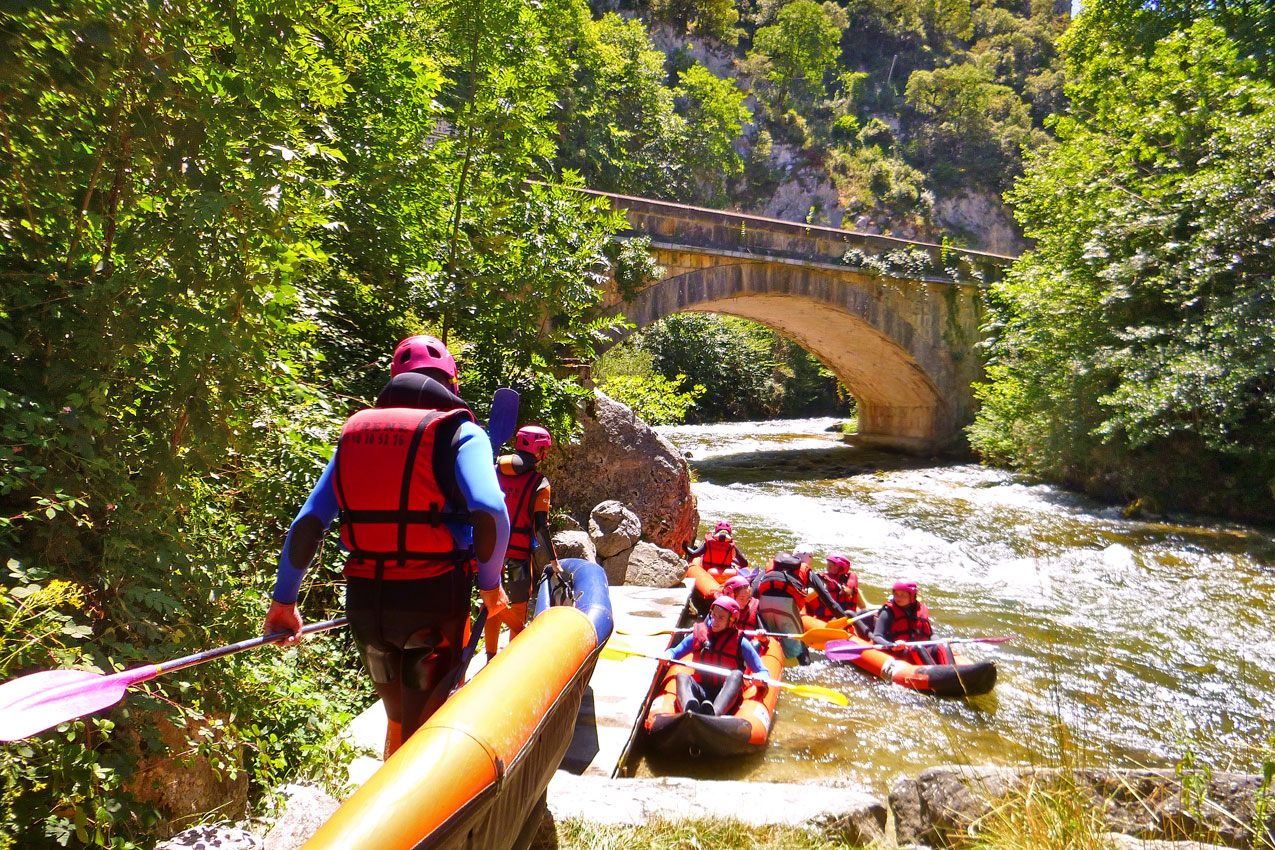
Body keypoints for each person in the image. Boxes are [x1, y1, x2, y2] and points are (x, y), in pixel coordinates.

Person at [263, 334, 511, 759]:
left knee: (398, 718)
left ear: (393, 379)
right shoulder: (461, 432)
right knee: (429, 723)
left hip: (366, 608)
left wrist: (284, 601)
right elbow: (490, 512)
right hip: (434, 602)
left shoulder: (356, 435)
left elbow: (308, 524)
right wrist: (490, 587)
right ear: (451, 383)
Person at [485, 424, 561, 662]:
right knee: (518, 605)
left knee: (491, 602)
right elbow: (540, 527)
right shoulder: (540, 483)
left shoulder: (492, 468)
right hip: (517, 553)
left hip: (489, 550)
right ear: (541, 452)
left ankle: (489, 658)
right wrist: (553, 560)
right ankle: (511, 661)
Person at [664, 596, 769, 717]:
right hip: (702, 689)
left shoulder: (740, 641)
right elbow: (675, 652)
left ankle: (714, 714)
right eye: (713, 615)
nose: (715, 620)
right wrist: (667, 655)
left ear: (731, 620)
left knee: (737, 675)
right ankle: (689, 711)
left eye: (721, 618)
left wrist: (760, 678)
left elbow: (762, 671)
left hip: (727, 694)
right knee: (682, 676)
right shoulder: (700, 634)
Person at [871, 578, 951, 666]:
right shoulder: (888, 612)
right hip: (902, 652)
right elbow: (877, 636)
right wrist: (892, 645)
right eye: (896, 594)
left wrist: (940, 641)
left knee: (943, 646)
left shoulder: (920, 610)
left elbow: (931, 634)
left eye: (903, 595)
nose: (898, 597)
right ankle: (936, 674)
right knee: (917, 648)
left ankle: (953, 672)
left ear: (912, 596)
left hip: (923, 652)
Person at [722, 575, 769, 653]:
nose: (745, 602)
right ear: (731, 595)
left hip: (743, 650)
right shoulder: (719, 608)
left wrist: (762, 637)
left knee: (756, 645)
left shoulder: (753, 610)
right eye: (742, 598)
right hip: (725, 647)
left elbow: (766, 639)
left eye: (748, 598)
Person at [684, 521, 749, 576]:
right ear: (730, 532)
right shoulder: (732, 546)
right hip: (725, 574)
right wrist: (733, 560)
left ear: (716, 531)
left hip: (707, 572)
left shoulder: (709, 543)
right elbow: (744, 563)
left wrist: (684, 545)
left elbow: (693, 554)